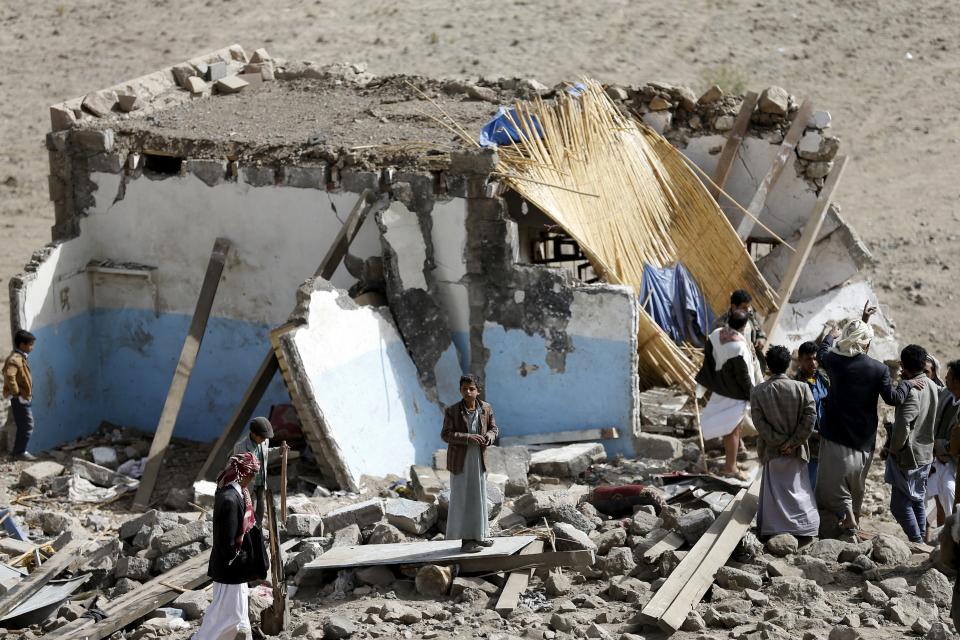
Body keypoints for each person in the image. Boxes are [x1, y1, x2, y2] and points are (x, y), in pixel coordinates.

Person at [814, 301, 918, 538]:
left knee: (830, 483)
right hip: (863, 439)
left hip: (835, 434)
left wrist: (832, 335)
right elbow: (893, 399)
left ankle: (842, 519)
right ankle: (853, 522)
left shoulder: (834, 361)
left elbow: (824, 351)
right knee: (856, 484)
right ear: (866, 343)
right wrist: (907, 384)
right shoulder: (878, 369)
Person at [194, 452, 264, 640]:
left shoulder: (240, 493)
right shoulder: (229, 499)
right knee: (224, 612)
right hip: (229, 567)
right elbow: (227, 541)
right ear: (244, 474)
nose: (252, 478)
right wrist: (241, 560)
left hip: (235, 568)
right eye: (251, 474)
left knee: (237, 610)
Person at [752, 345, 819, 538]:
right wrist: (793, 443)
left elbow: (759, 423)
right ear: (789, 363)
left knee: (775, 493)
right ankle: (804, 528)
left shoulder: (758, 391)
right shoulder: (802, 388)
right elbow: (810, 417)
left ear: (769, 366)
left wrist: (779, 442)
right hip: (797, 451)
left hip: (772, 452)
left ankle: (774, 530)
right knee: (799, 489)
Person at [884, 344, 940, 543]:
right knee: (916, 498)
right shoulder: (933, 386)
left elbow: (903, 426)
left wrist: (893, 448)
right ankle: (922, 541)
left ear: (904, 365)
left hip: (908, 455)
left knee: (899, 505)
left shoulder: (912, 390)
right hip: (925, 453)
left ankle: (916, 541)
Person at [695, 311, 759, 480]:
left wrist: (711, 381)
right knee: (733, 430)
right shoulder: (739, 346)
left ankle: (732, 463)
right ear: (744, 326)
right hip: (735, 394)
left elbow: (708, 358)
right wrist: (752, 394)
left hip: (721, 388)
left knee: (729, 428)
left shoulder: (715, 335)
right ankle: (730, 468)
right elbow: (742, 376)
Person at [441, 374, 499, 553]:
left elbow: (494, 428)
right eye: (464, 388)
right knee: (463, 498)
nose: (468, 391)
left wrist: (489, 437)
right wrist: (468, 438)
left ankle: (479, 536)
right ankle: (466, 542)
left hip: (479, 460)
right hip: (461, 461)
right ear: (460, 390)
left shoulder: (486, 408)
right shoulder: (452, 411)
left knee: (478, 497)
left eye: (471, 388)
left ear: (478, 391)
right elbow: (446, 435)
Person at [233, 417, 288, 528]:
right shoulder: (241, 447)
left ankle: (258, 528)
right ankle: (248, 530)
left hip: (261, 481)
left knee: (261, 506)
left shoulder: (264, 441)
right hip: (249, 483)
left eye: (265, 438)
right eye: (262, 437)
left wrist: (279, 450)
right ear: (253, 434)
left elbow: (266, 453)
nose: (264, 440)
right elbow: (236, 467)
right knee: (250, 507)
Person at [795, 341, 830, 489]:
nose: (813, 363)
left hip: (825, 437)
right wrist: (815, 434)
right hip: (808, 439)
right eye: (808, 359)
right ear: (800, 360)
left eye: (815, 358)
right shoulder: (796, 385)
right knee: (804, 480)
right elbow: (795, 418)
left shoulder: (822, 378)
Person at [932, 360, 960, 524]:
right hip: (939, 462)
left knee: (953, 506)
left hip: (954, 465)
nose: (945, 379)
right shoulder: (947, 395)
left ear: (957, 381)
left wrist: (940, 445)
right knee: (939, 502)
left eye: (948, 377)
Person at [3, 330, 37, 461]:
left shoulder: (20, 357)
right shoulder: (15, 359)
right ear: (22, 345)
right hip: (20, 399)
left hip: (22, 398)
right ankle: (20, 452)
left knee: (24, 425)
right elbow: (9, 375)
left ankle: (18, 452)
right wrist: (17, 393)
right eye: (30, 344)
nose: (32, 347)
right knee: (28, 425)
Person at [715, 289, 767, 366]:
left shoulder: (749, 313)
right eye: (744, 308)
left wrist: (760, 338)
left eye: (748, 307)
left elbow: (758, 328)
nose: (747, 310)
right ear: (733, 307)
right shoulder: (722, 325)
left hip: (754, 359)